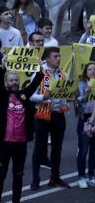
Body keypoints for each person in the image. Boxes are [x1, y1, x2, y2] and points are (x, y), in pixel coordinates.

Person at [31, 47, 69, 190]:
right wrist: (43, 97)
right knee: (39, 148)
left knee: (57, 149)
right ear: (47, 59)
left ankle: (55, 178)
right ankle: (35, 179)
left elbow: (67, 96)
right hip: (42, 115)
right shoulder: (38, 73)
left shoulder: (63, 75)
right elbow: (29, 95)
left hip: (59, 114)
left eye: (59, 56)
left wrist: (72, 95)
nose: (58, 58)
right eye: (55, 56)